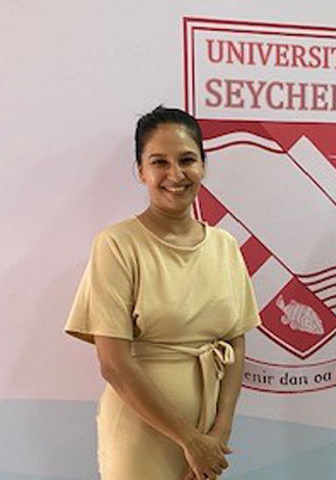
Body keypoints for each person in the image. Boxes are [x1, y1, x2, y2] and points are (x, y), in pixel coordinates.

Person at [64, 106, 261, 480]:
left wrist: (219, 433)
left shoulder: (225, 245)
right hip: (141, 433)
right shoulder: (117, 245)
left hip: (207, 434)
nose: (175, 174)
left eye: (187, 160)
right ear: (141, 171)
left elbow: (235, 342)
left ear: (203, 165)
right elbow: (114, 364)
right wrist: (190, 440)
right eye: (159, 162)